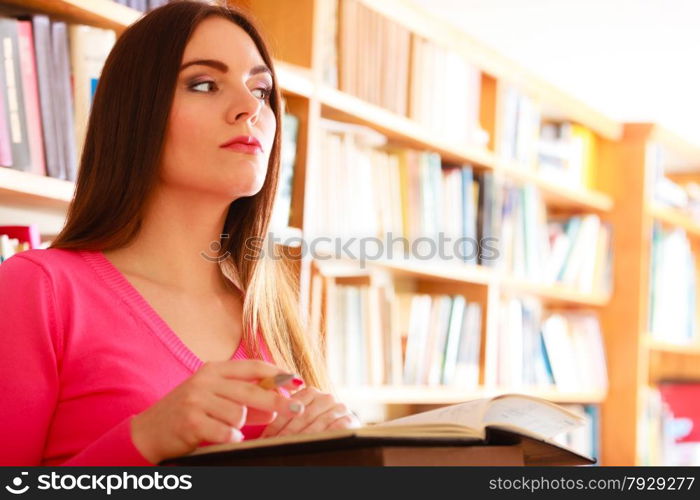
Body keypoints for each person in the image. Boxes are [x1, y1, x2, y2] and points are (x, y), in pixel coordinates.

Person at [0, 0, 358, 466]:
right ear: (134, 115)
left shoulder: (274, 314)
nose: (250, 107)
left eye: (262, 90)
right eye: (204, 84)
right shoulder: (38, 289)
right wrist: (144, 438)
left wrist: (344, 459)